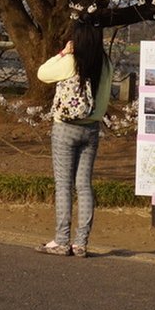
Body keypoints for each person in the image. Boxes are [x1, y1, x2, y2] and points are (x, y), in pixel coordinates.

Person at [35, 20, 112, 258]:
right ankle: (81, 243)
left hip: (66, 128)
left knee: (63, 185)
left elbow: (42, 73)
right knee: (84, 185)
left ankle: (61, 240)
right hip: (91, 129)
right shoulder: (105, 64)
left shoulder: (71, 61)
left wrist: (62, 53)